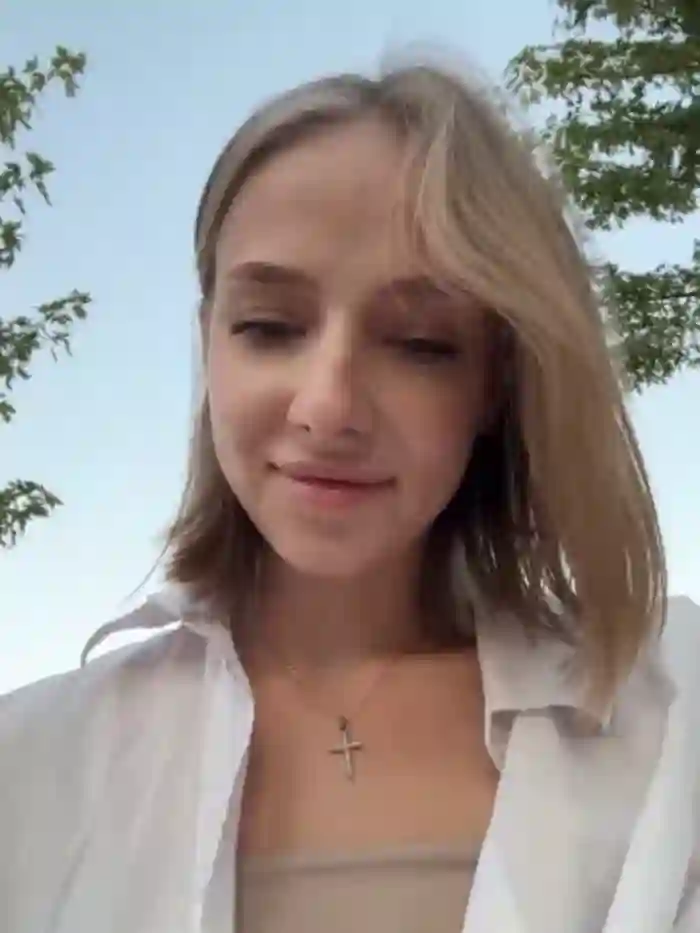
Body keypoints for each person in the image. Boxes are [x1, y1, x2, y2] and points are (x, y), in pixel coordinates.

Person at [1, 58, 698, 933]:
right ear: (210, 345)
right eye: (269, 327)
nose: (327, 406)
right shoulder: (31, 766)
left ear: (496, 382)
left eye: (418, 342)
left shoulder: (673, 721)